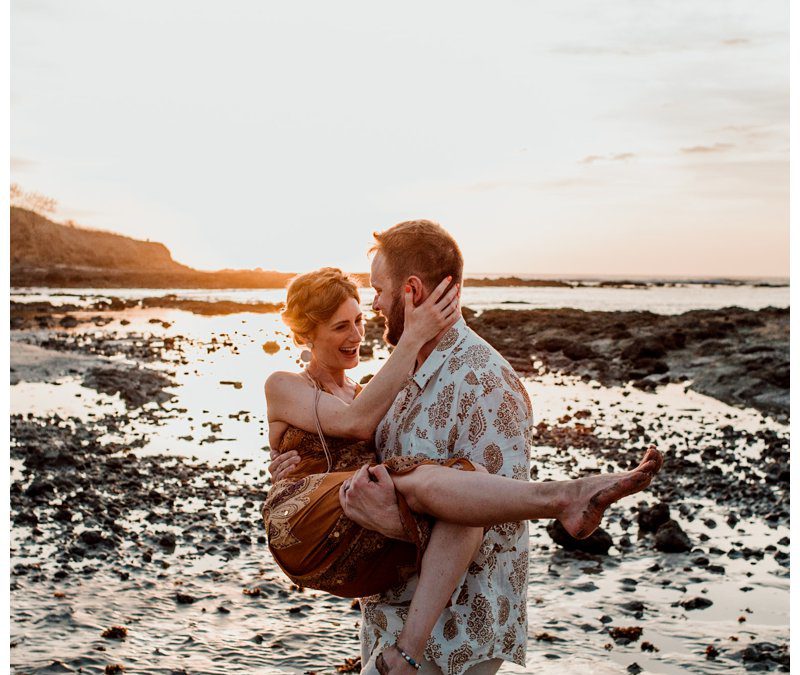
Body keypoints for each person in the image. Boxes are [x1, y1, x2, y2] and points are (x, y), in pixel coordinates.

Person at [265, 229, 662, 674]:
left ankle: (566, 497)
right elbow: (357, 465)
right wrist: (292, 476)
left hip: (457, 632)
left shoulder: (486, 381)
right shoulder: (395, 381)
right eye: (345, 322)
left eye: (377, 293)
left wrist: (399, 525)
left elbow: (490, 519)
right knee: (426, 477)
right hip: (390, 616)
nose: (372, 311)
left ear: (410, 291)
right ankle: (564, 496)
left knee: (455, 476)